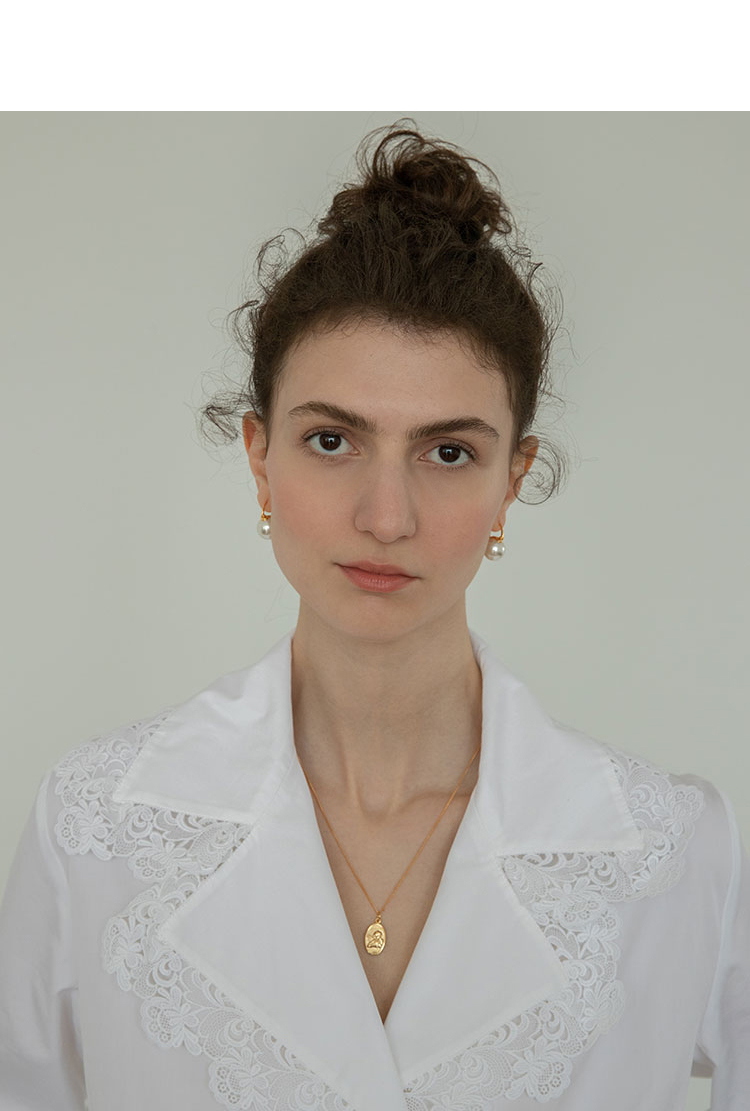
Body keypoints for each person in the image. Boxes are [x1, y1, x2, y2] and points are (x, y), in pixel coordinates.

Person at [0, 120, 747, 1111]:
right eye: (331, 440)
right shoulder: (95, 828)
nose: (386, 517)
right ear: (259, 455)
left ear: (512, 478)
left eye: (448, 452)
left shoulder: (673, 852)